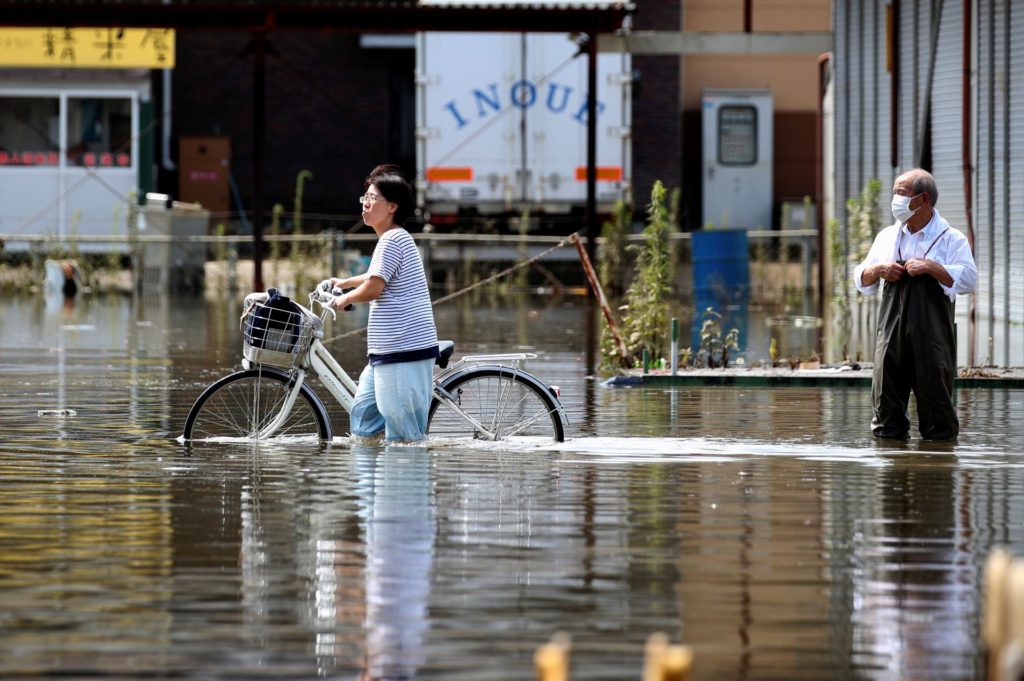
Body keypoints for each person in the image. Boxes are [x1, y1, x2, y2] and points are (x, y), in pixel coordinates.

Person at [854, 168, 978, 440]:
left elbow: (969, 279)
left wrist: (933, 268)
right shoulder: (887, 236)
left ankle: (936, 473)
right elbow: (861, 279)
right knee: (886, 423)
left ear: (923, 199)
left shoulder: (951, 238)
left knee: (939, 423)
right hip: (890, 342)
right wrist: (879, 270)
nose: (895, 199)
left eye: (901, 193)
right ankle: (890, 473)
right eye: (895, 192)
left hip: (932, 342)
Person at [328, 164, 438, 443]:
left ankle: (403, 481)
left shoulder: (392, 239)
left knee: (403, 437)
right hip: (385, 352)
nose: (365, 204)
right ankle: (373, 484)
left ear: (392, 206)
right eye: (364, 198)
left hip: (402, 348)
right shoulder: (392, 240)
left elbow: (374, 287)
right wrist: (344, 282)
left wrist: (345, 299)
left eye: (372, 198)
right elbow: (374, 275)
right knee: (364, 425)